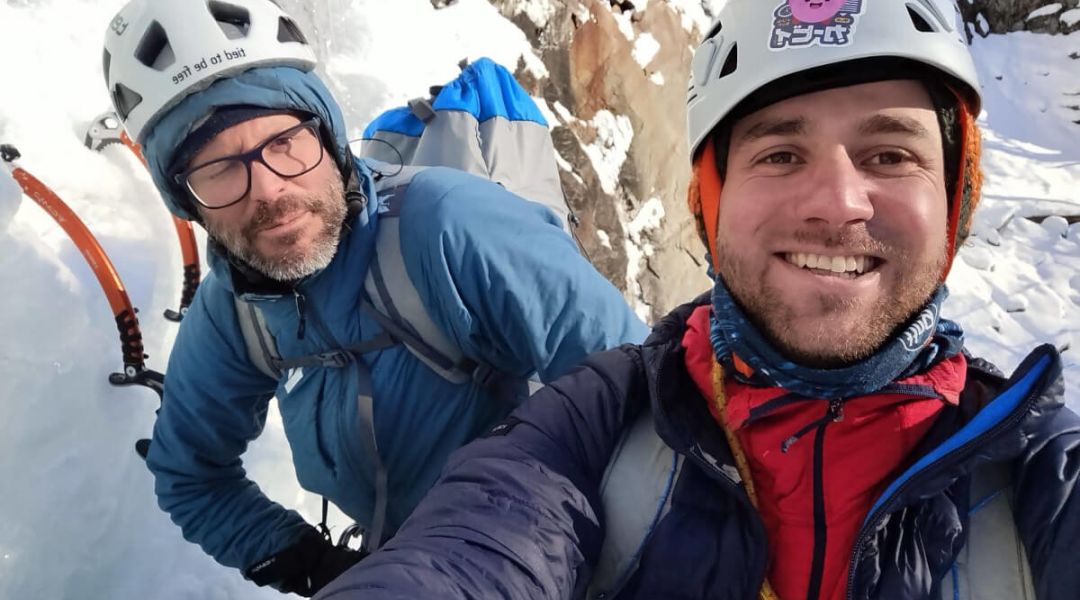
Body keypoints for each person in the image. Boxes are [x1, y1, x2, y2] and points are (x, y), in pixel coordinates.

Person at [314, 1, 1080, 599]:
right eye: (780, 153)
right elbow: (475, 548)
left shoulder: (1047, 469)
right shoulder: (595, 428)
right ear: (708, 208)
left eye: (890, 153)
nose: (840, 203)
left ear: (956, 200)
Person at [101, 0, 648, 596]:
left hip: (557, 553)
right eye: (217, 170)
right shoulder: (233, 312)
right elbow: (190, 475)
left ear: (329, 135)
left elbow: (644, 403)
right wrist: (309, 563)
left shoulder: (449, 226)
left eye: (284, 142)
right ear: (185, 200)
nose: (269, 190)